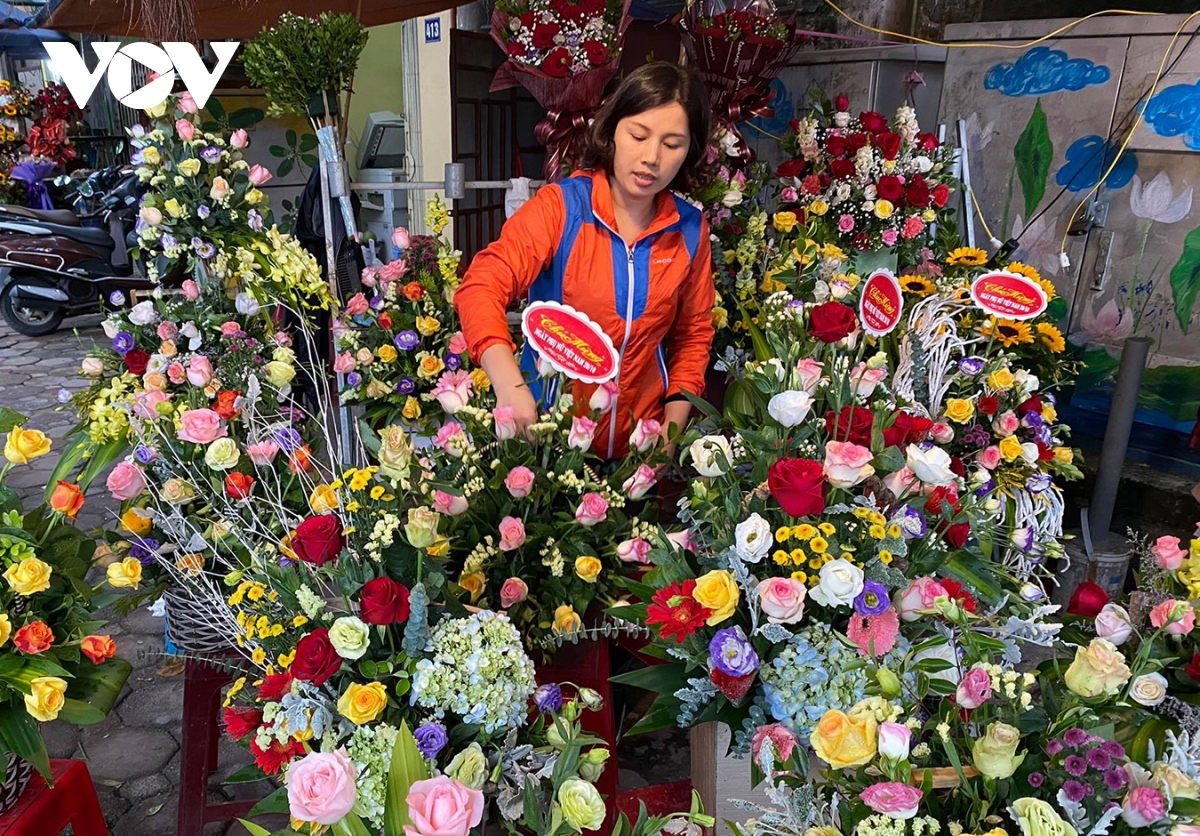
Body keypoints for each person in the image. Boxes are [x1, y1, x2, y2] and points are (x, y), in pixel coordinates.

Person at [454, 62, 716, 460]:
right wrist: (510, 387)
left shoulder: (689, 231)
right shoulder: (562, 209)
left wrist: (670, 434)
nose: (651, 157)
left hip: (636, 452)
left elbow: (693, 336)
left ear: (690, 151)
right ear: (612, 130)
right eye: (638, 135)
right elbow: (481, 286)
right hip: (545, 443)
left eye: (672, 144)